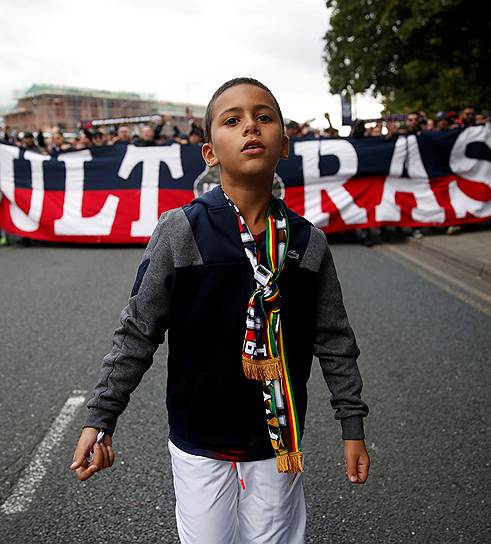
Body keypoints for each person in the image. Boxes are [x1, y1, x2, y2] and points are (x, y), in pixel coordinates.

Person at [70, 77, 370, 543]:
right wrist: (100, 416)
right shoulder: (180, 230)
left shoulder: (308, 242)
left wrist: (352, 425)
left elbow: (332, 338)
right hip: (199, 441)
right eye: (233, 120)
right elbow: (138, 331)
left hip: (277, 442)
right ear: (210, 153)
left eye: (264, 117)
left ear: (284, 144)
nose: (251, 126)